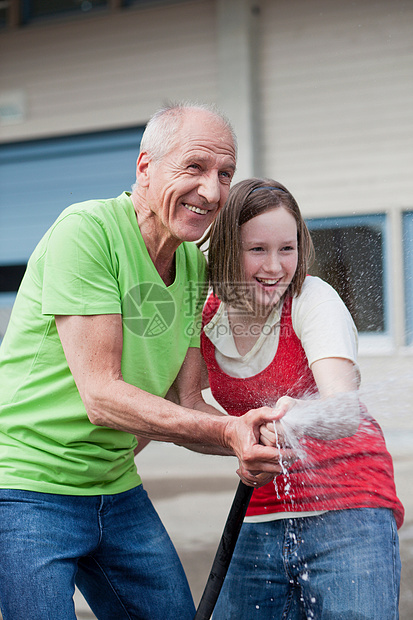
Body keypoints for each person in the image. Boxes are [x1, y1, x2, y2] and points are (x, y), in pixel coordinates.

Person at [0, 105, 286, 620]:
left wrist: (246, 435)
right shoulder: (87, 231)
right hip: (25, 488)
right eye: (194, 167)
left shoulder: (194, 264)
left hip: (115, 486)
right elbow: (101, 396)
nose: (213, 191)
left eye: (225, 174)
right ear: (145, 165)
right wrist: (227, 435)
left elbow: (186, 402)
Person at [200, 177, 404, 619]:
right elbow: (186, 411)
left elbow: (344, 410)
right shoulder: (204, 316)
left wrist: (302, 416)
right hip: (258, 509)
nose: (275, 267)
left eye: (286, 249)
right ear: (225, 251)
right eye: (257, 249)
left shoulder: (312, 299)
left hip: (349, 504)